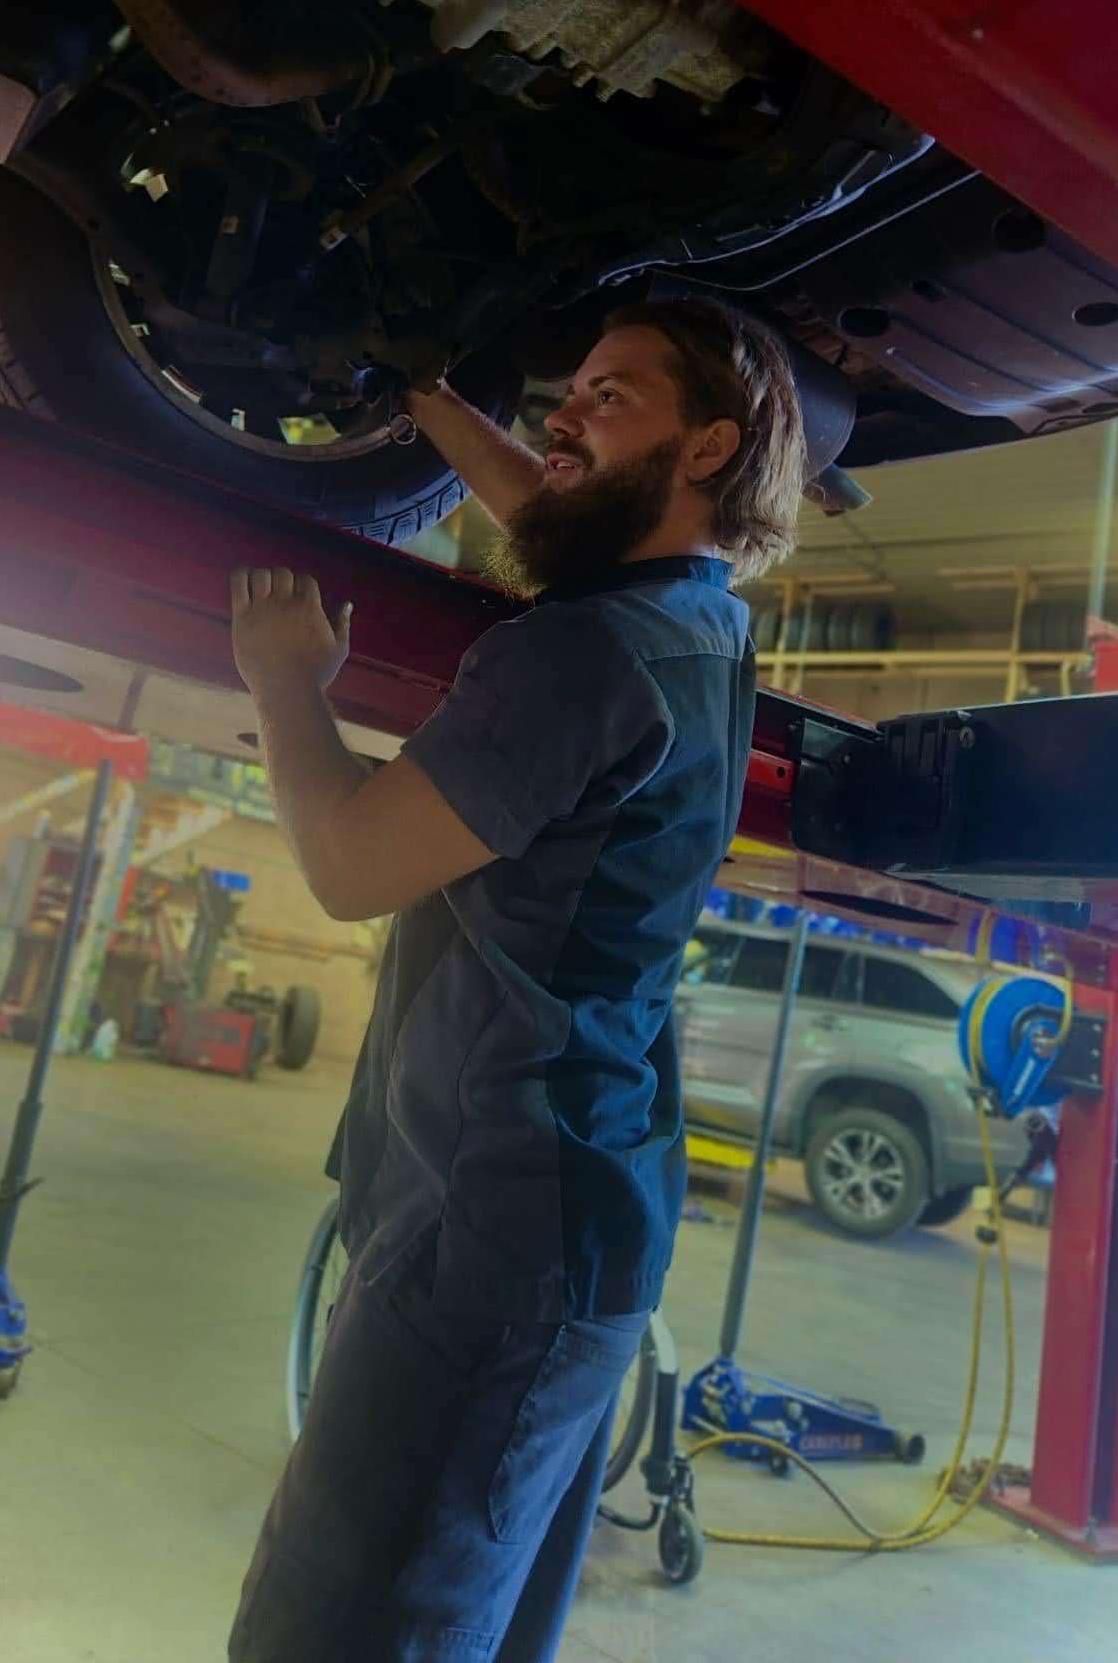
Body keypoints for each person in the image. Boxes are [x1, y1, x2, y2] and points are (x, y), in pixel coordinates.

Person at [228, 298, 808, 1662]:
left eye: (609, 395)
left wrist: (286, 684)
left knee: (351, 1630)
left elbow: (354, 865)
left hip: (492, 1237)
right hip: (572, 1221)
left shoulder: (579, 658)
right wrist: (427, 398)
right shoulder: (690, 623)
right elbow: (560, 510)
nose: (563, 413)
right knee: (461, 1616)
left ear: (708, 445)